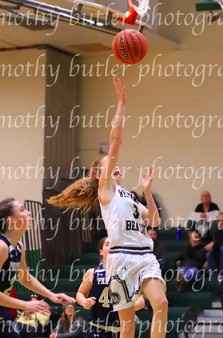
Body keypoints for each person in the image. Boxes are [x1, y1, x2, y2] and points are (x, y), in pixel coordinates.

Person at [48, 78, 168, 338]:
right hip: (121, 258)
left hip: (144, 255)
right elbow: (116, 141)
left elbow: (155, 222)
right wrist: (121, 104)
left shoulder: (129, 196)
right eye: (109, 163)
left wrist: (147, 192)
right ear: (100, 174)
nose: (115, 164)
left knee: (161, 303)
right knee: (127, 324)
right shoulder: (107, 191)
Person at [0, 197, 76, 338]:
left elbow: (25, 278)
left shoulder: (19, 247)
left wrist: (51, 295)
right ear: (11, 221)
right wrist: (25, 305)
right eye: (22, 210)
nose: (29, 213)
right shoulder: (1, 247)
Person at [76, 237, 145, 338]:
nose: (112, 246)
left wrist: (126, 307)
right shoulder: (92, 273)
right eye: (108, 244)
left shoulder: (129, 274)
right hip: (97, 329)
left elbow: (141, 301)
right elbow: (80, 293)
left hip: (122, 331)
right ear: (101, 251)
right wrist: (84, 302)